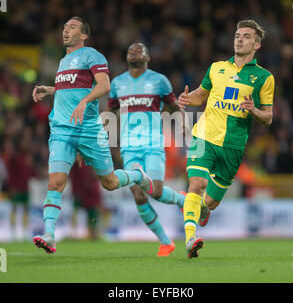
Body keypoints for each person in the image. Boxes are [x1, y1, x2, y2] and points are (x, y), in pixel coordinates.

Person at [31, 17, 153, 254]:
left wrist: (85, 101)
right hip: (62, 129)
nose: (66, 30)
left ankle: (137, 175)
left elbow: (104, 86)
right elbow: (71, 89)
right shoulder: (63, 61)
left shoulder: (92, 56)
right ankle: (49, 234)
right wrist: (50, 90)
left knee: (110, 183)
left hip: (89, 129)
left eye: (72, 27)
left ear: (84, 35)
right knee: (55, 182)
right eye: (65, 27)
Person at [178, 20, 275, 259]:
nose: (239, 40)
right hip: (204, 136)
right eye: (237, 36)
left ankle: (202, 210)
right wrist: (186, 98)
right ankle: (190, 238)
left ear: (257, 44)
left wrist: (254, 111)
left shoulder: (264, 77)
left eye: (246, 36)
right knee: (196, 184)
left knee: (210, 202)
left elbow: (268, 117)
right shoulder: (216, 68)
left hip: (233, 146)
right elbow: (201, 95)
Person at [106, 43, 186, 256]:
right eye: (130, 50)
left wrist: (183, 123)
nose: (133, 52)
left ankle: (183, 201)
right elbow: (111, 111)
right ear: (126, 56)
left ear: (147, 57)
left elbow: (174, 107)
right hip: (129, 146)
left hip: (153, 143)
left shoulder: (159, 81)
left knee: (156, 192)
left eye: (138, 50)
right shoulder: (117, 83)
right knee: (139, 195)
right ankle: (165, 242)